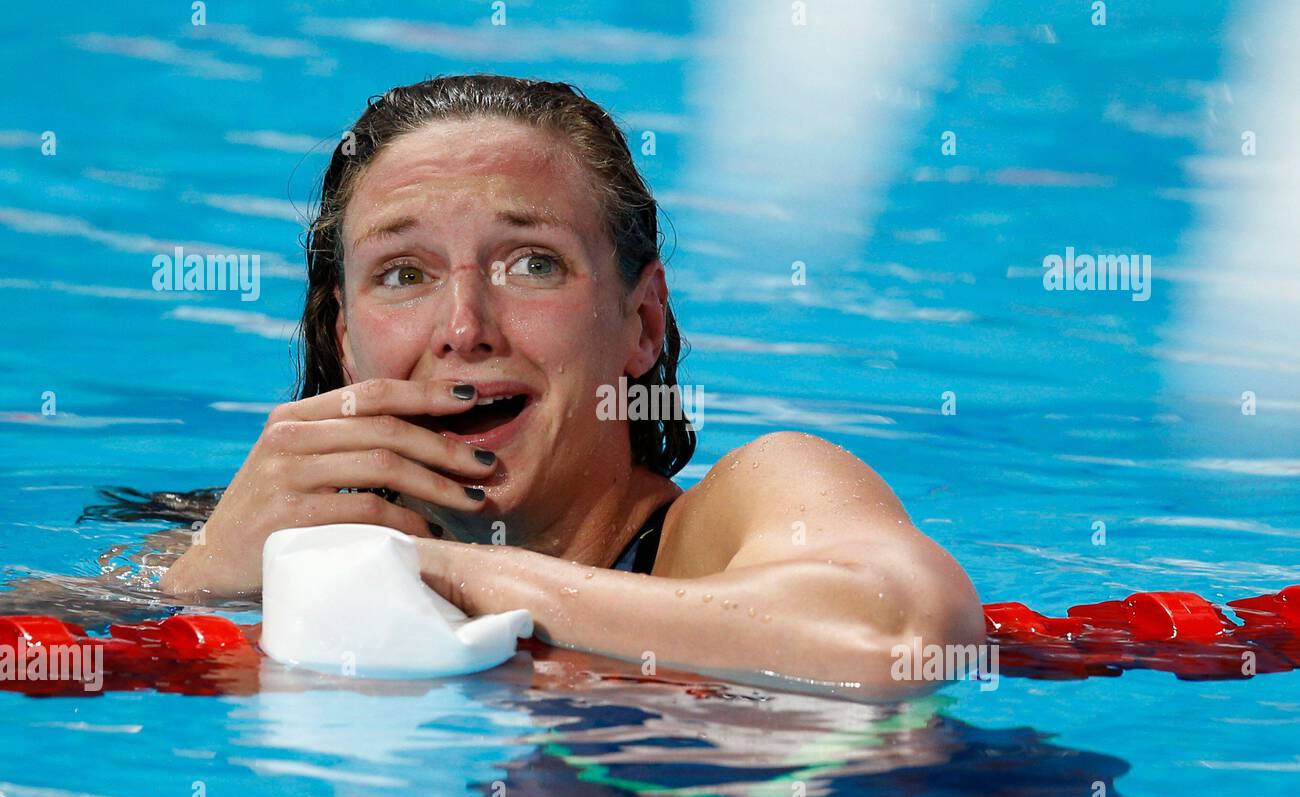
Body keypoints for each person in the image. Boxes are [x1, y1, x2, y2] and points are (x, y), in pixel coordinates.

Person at [160, 74, 983, 699]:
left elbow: (898, 638)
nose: (462, 326)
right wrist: (199, 585)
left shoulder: (750, 507)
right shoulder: (240, 547)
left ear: (642, 325)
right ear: (345, 341)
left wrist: (439, 572)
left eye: (532, 263)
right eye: (403, 272)